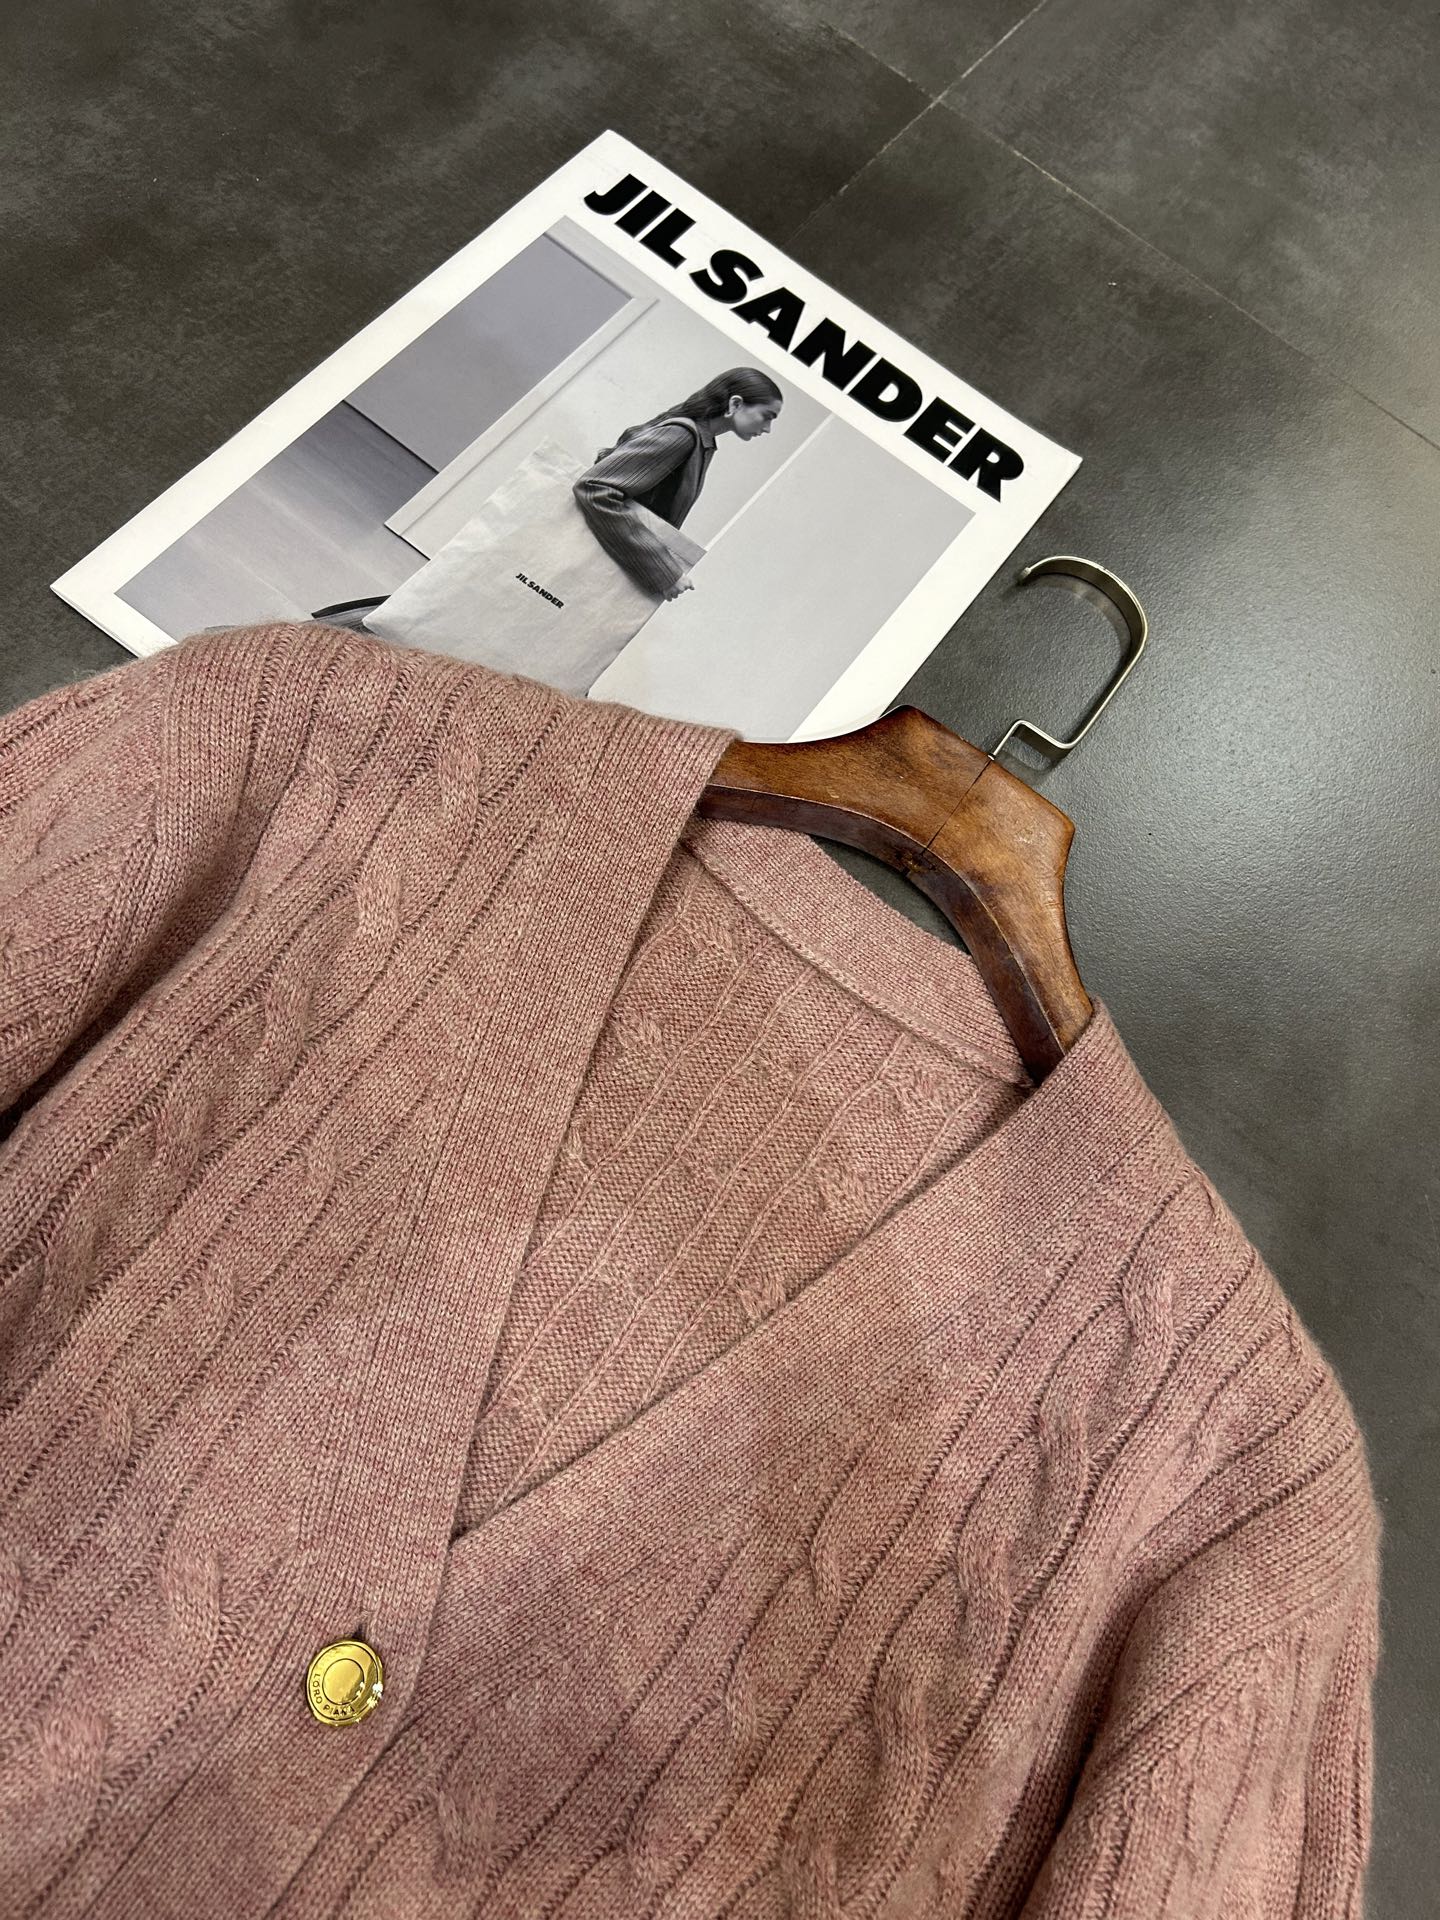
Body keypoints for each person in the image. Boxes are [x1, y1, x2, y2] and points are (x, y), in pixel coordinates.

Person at [572, 367, 783, 601]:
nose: (767, 429)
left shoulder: (700, 443)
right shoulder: (682, 436)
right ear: (735, 404)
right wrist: (665, 571)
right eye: (767, 416)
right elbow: (594, 487)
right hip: (590, 568)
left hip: (602, 568)